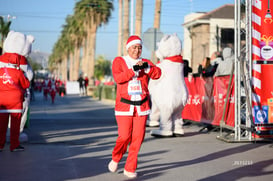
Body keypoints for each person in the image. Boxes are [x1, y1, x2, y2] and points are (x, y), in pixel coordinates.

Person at [108, 35, 161, 178]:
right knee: (124, 136)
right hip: (124, 106)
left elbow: (158, 74)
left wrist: (148, 68)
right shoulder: (119, 61)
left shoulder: (145, 62)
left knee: (138, 137)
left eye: (139, 47)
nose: (137, 50)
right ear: (128, 48)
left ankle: (130, 168)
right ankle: (116, 157)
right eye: (134, 47)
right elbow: (118, 78)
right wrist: (133, 70)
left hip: (142, 106)